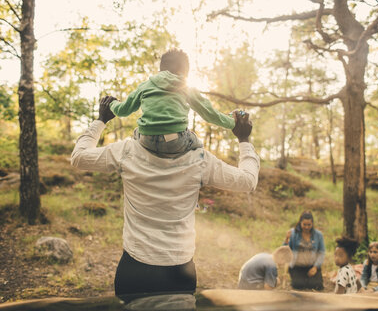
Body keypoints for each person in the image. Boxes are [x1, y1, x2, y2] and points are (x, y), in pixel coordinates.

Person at [71, 96, 260, 298]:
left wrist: (101, 120)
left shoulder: (126, 151)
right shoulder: (200, 160)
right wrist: (243, 139)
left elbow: (79, 157)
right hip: (179, 271)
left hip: (134, 268)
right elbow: (248, 181)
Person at [109, 49, 235, 158]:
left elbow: (122, 111)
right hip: (176, 141)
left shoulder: (145, 86)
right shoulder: (186, 87)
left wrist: (112, 103)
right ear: (185, 72)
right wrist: (232, 122)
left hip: (146, 140)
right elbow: (210, 114)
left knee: (137, 132)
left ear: (161, 69)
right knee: (197, 143)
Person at [283, 210, 325, 290]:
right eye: (304, 224)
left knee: (317, 286)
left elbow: (321, 253)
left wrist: (315, 267)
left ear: (312, 224)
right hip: (297, 266)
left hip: (312, 266)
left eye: (309, 225)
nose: (306, 227)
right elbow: (285, 250)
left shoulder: (318, 235)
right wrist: (286, 239)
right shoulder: (293, 233)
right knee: (298, 285)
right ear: (300, 223)